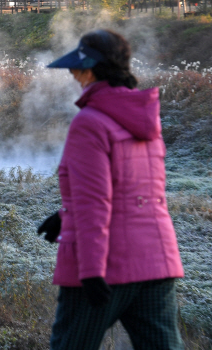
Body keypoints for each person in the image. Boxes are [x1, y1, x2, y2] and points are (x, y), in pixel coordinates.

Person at [38, 29, 184, 350]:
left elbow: (96, 202)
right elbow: (132, 190)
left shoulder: (90, 122)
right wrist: (66, 214)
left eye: (77, 67)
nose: (73, 75)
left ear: (91, 69)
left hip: (106, 266)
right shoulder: (145, 119)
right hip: (156, 262)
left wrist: (90, 270)